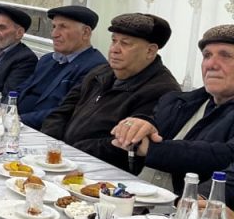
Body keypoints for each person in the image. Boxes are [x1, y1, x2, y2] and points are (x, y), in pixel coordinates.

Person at [111, 25, 234, 206]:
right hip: (130, 197)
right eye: (207, 55)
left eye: (226, 56)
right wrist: (137, 127)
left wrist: (151, 149)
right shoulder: (176, 100)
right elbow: (151, 129)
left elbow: (224, 156)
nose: (211, 65)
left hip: (177, 210)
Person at [42, 13, 179, 171]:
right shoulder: (100, 72)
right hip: (63, 161)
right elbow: (62, 112)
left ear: (150, 51)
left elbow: (123, 144)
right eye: (114, 41)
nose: (114, 49)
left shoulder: (162, 91)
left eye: (125, 43)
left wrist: (71, 152)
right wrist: (52, 145)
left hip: (101, 172)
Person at [16, 5, 106, 129]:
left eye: (63, 27)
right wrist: (3, 110)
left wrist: (19, 120)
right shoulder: (47, 60)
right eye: (54, 27)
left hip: (45, 132)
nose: (54, 34)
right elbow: (20, 90)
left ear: (85, 33)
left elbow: (67, 111)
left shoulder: (95, 67)